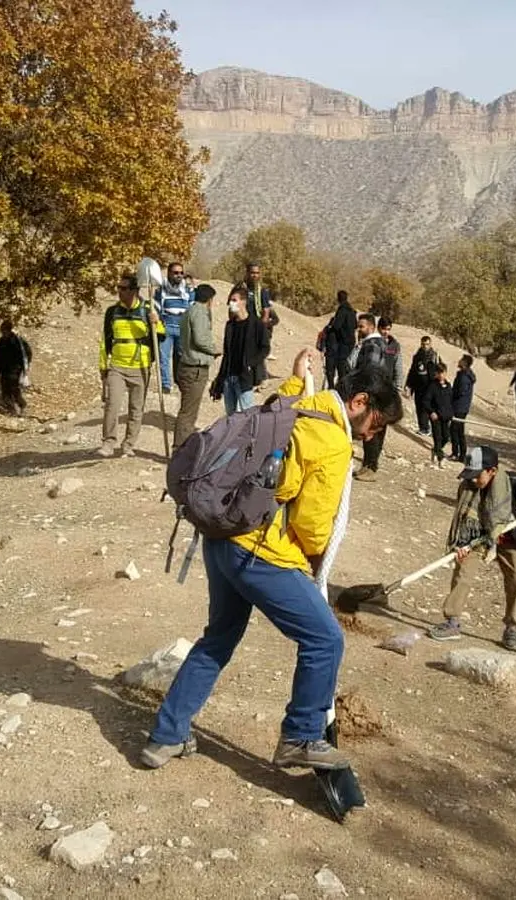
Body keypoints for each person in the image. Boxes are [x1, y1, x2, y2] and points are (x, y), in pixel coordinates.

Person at [140, 354, 405, 771]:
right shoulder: (333, 440)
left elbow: (280, 398)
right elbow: (312, 523)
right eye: (377, 423)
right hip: (259, 551)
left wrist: (298, 377)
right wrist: (311, 566)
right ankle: (300, 737)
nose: (373, 435)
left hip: (219, 537)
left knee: (218, 638)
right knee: (325, 640)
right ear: (358, 401)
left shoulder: (294, 405)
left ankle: (165, 737)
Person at [427, 446, 516, 652]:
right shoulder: (466, 487)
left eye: (477, 475)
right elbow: (463, 519)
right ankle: (452, 622)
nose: (472, 480)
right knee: (462, 574)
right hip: (475, 537)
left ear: (492, 470)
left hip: (505, 536)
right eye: (470, 474)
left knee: (515, 578)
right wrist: (461, 544)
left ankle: (512, 627)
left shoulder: (511, 482)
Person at [99, 272, 165, 458]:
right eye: (118, 288)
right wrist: (103, 367)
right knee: (112, 404)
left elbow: (161, 335)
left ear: (135, 291)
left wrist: (156, 322)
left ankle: (128, 444)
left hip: (141, 366)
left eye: (124, 288)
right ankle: (108, 442)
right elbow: (105, 340)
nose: (120, 292)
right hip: (117, 366)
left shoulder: (147, 309)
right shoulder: (112, 312)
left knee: (136, 408)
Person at [211, 286, 269, 416]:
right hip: (229, 377)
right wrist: (220, 380)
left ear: (243, 302)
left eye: (234, 300)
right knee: (231, 417)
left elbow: (265, 348)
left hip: (244, 377)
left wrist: (250, 364)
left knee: (247, 415)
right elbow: (227, 354)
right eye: (230, 301)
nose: (231, 304)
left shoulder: (256, 324)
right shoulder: (230, 325)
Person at [174, 283, 218, 447]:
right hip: (195, 368)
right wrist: (214, 350)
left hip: (187, 365)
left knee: (188, 410)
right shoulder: (199, 312)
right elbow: (200, 339)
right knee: (188, 413)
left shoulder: (188, 311)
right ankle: (179, 450)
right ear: (209, 299)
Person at [349, 313, 387, 481]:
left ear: (371, 327)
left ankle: (371, 467)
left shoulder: (373, 345)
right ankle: (367, 465)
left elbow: (370, 370)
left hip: (373, 393)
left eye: (362, 326)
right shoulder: (370, 343)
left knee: (371, 430)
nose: (360, 329)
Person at [154, 261, 194, 395]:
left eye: (181, 273)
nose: (179, 275)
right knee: (163, 357)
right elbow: (156, 307)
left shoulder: (188, 290)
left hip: (182, 327)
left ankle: (179, 381)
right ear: (169, 273)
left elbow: (192, 308)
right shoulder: (161, 289)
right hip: (167, 326)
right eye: (175, 273)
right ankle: (166, 384)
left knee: (181, 356)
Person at [0, 320, 32, 417]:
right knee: (5, 390)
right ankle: (11, 409)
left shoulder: (17, 341)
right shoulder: (2, 340)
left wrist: (23, 367)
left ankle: (22, 405)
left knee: (14, 388)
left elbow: (27, 354)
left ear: (8, 330)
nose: (2, 333)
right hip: (4, 369)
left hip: (15, 369)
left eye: (4, 331)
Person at [404, 336, 440, 435]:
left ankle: (428, 428)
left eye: (427, 344)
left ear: (430, 344)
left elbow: (440, 371)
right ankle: (423, 428)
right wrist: (408, 385)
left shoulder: (434, 356)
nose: (425, 346)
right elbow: (412, 371)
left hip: (429, 386)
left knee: (426, 407)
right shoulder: (417, 356)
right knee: (419, 406)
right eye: (423, 344)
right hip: (418, 386)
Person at [324, 291, 357, 390]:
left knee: (339, 367)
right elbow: (355, 325)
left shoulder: (342, 310)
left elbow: (337, 326)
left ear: (338, 298)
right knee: (343, 367)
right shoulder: (351, 311)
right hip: (350, 342)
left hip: (343, 343)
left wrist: (330, 328)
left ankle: (336, 389)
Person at [426, 362, 454, 467]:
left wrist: (451, 413)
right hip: (436, 417)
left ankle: (436, 450)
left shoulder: (448, 386)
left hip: (446, 417)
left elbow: (450, 401)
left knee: (446, 437)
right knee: (437, 438)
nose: (441, 375)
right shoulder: (433, 386)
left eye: (443, 372)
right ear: (436, 374)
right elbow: (426, 401)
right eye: (439, 373)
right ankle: (440, 458)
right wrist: (431, 412)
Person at [450, 354, 476, 461]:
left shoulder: (464, 376)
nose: (459, 361)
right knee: (459, 430)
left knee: (454, 430)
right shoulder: (464, 374)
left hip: (459, 406)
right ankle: (461, 454)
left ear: (465, 363)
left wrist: (451, 395)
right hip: (462, 406)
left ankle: (457, 453)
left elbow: (461, 391)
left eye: (461, 360)